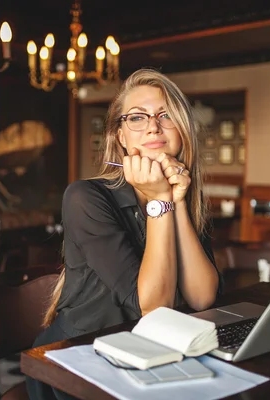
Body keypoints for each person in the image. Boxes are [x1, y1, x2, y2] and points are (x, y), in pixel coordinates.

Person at [26, 68, 222, 400]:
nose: (153, 126)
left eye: (165, 115)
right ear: (120, 136)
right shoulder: (85, 197)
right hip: (78, 359)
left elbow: (202, 297)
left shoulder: (183, 195)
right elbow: (156, 307)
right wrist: (160, 200)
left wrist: (176, 201)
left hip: (149, 353)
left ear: (183, 130)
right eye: (137, 117)